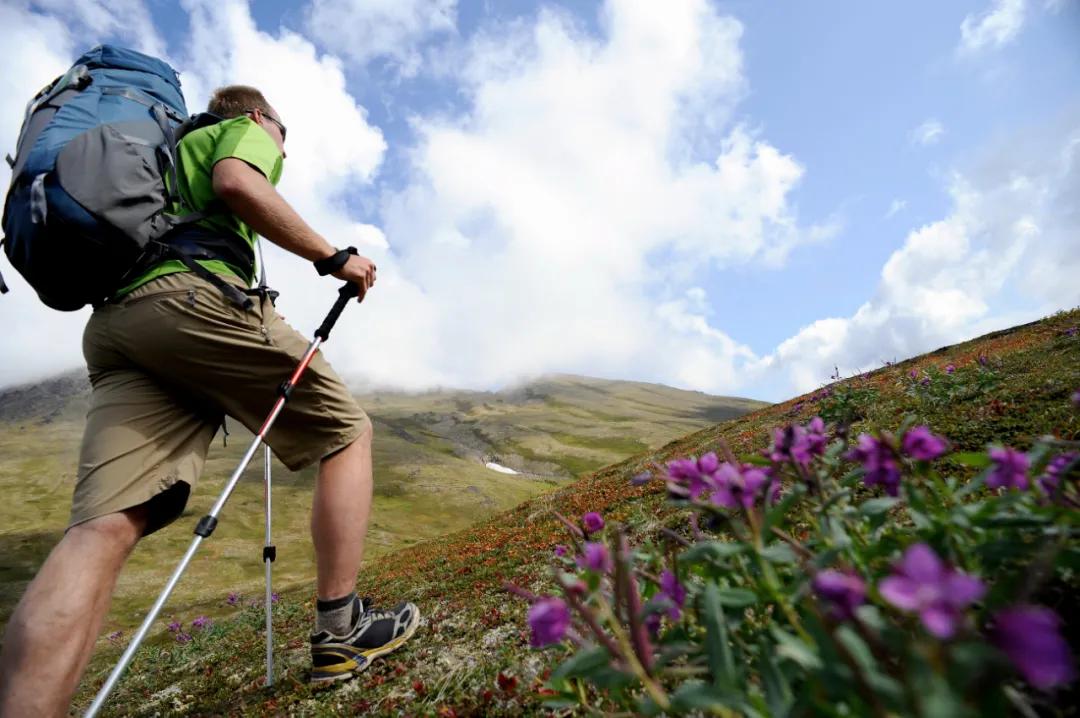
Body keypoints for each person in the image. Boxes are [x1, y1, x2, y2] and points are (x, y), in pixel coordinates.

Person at [0, 85, 418, 715]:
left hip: (116, 325)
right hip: (188, 300)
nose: (282, 147)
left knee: (101, 528)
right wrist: (332, 257)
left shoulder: (163, 159)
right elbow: (238, 184)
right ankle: (341, 631)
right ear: (259, 117)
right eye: (283, 134)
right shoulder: (239, 133)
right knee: (347, 433)